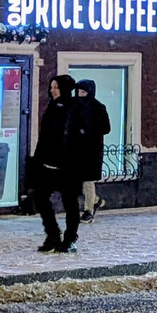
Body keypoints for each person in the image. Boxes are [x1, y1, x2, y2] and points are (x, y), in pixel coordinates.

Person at [32, 75, 81, 253]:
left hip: (68, 166)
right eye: (52, 87)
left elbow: (78, 136)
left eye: (56, 87)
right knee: (40, 197)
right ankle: (53, 234)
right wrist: (39, 159)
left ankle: (69, 238)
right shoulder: (52, 106)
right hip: (49, 164)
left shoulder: (74, 108)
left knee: (70, 203)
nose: (52, 90)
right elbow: (45, 135)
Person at [74, 80, 111, 223]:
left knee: (88, 180)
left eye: (83, 92)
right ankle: (95, 200)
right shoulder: (75, 107)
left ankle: (88, 210)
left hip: (91, 150)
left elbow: (106, 128)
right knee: (79, 180)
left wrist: (88, 131)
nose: (80, 95)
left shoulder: (98, 108)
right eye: (78, 92)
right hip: (76, 149)